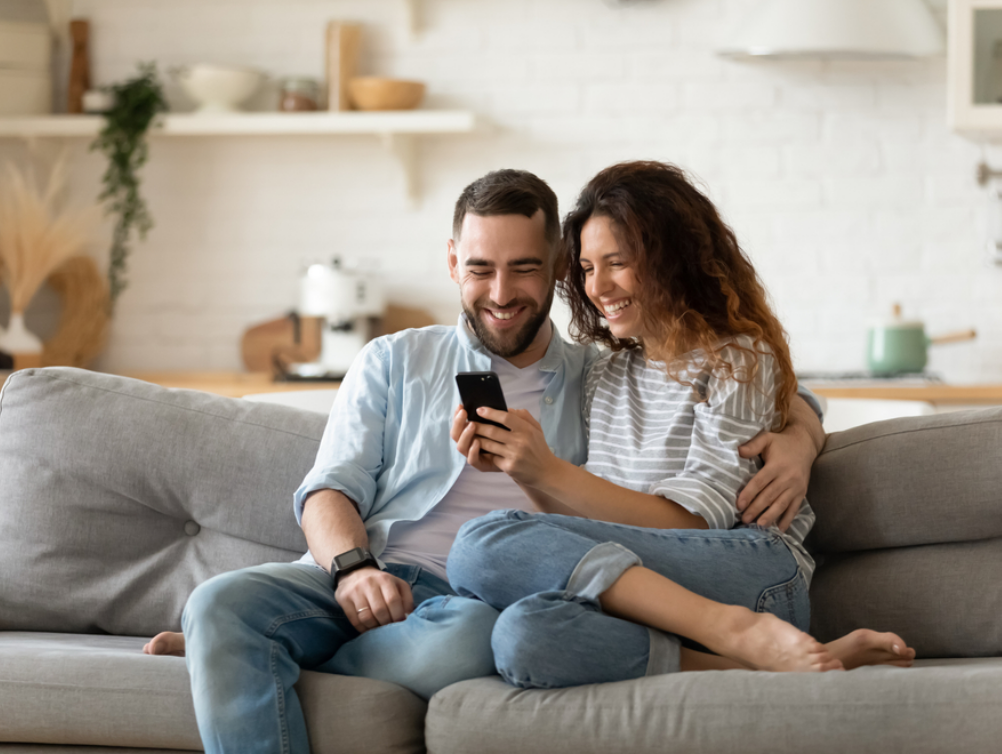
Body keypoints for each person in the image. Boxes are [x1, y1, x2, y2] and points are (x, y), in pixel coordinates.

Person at [143, 168, 827, 754]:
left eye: (524, 268)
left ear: (556, 268)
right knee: (220, 601)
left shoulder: (597, 370)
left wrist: (799, 436)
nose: (500, 293)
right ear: (451, 263)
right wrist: (353, 572)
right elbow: (328, 492)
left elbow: (750, 377)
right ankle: (237, 642)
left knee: (473, 639)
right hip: (363, 575)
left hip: (470, 602)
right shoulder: (393, 360)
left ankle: (253, 657)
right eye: (479, 269)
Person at [446, 161, 914, 687]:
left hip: (750, 573)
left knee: (477, 545)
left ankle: (736, 628)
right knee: (523, 636)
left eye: (617, 262)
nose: (598, 286)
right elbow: (601, 531)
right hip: (653, 586)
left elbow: (692, 525)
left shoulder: (738, 359)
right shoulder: (606, 374)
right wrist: (523, 472)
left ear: (672, 259)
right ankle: (757, 659)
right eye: (586, 267)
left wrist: (549, 471)